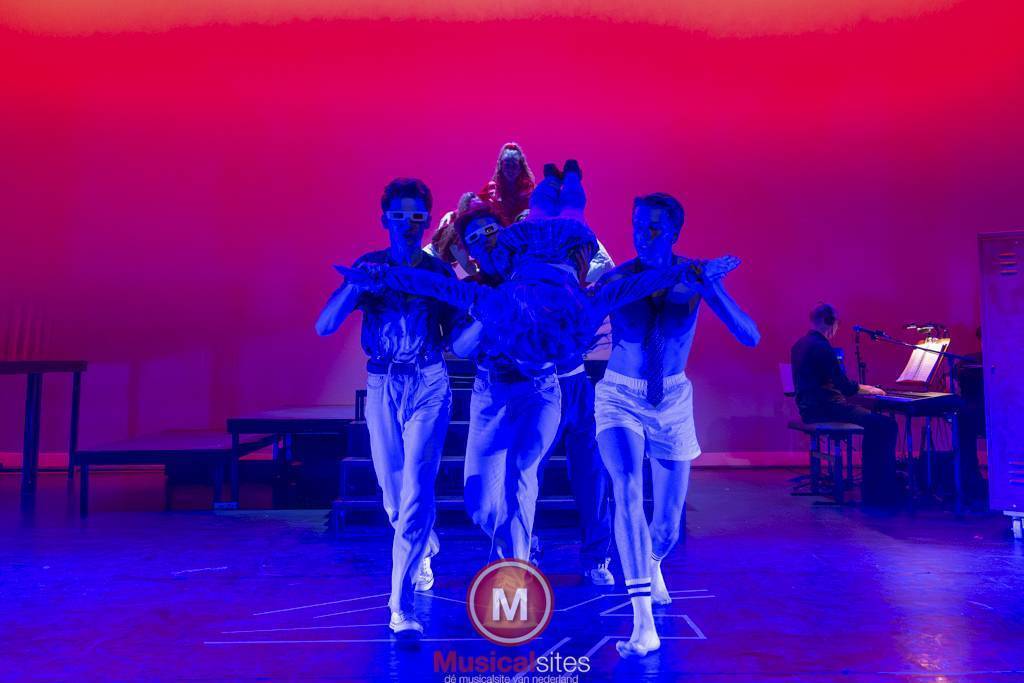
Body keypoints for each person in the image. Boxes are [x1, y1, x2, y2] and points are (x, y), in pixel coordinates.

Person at [340, 164, 729, 563]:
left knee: (551, 211)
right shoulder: (520, 304)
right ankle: (567, 179)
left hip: (540, 363)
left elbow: (435, 285)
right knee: (568, 210)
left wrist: (386, 277)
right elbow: (630, 288)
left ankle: (518, 557)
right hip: (542, 288)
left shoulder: (514, 301)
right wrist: (688, 270)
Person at [595, 192, 760, 658]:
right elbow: (579, 325)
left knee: (666, 528)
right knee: (627, 488)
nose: (642, 235)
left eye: (653, 227)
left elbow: (750, 336)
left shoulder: (693, 275)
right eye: (637, 225)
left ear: (673, 232)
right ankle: (642, 623)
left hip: (671, 399)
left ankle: (652, 561)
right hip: (619, 395)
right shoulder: (618, 279)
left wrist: (711, 288)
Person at [315, 178, 457, 641]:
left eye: (417, 216)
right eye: (399, 216)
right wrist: (356, 287)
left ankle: (400, 605)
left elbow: (458, 339)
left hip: (429, 381)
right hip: (382, 383)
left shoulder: (437, 272)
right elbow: (325, 325)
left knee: (416, 490)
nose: (408, 224)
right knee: (393, 495)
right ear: (384, 219)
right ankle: (424, 545)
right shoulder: (369, 266)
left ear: (428, 221)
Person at [790, 303, 900, 510]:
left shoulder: (799, 345)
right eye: (837, 324)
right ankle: (879, 492)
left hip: (809, 409)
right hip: (827, 408)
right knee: (885, 425)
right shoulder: (822, 347)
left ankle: (875, 487)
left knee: (877, 423)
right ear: (830, 322)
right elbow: (845, 387)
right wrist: (869, 389)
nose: (837, 329)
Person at [479, 142, 536, 226]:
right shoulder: (491, 189)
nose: (510, 170)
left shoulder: (529, 188)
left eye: (514, 166)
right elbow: (477, 208)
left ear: (521, 168)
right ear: (501, 167)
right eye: (507, 165)